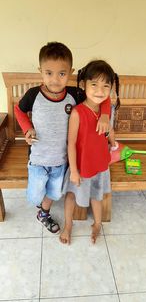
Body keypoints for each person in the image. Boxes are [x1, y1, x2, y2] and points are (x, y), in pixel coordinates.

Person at [14, 42, 111, 234]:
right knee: (35, 196)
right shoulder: (34, 95)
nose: (55, 80)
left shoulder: (74, 94)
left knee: (55, 193)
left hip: (61, 161)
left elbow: (101, 94)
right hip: (38, 159)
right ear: (40, 71)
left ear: (71, 72)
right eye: (49, 73)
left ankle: (44, 213)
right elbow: (19, 109)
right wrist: (27, 129)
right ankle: (40, 204)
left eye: (62, 74)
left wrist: (106, 114)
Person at [60, 59, 118, 244]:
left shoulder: (105, 111)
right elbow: (71, 143)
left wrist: (107, 123)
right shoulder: (77, 113)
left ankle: (97, 223)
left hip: (100, 165)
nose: (100, 91)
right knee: (71, 196)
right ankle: (68, 225)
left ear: (110, 89)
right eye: (94, 84)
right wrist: (75, 171)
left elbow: (111, 137)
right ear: (84, 84)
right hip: (81, 166)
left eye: (105, 86)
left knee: (97, 196)